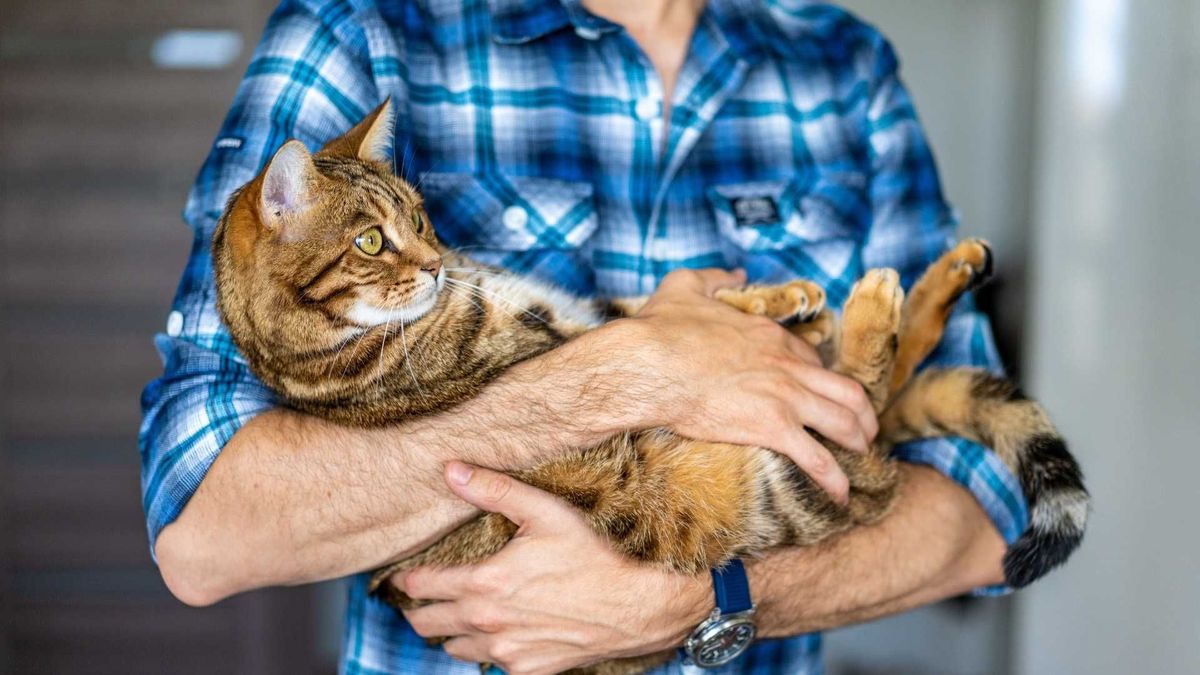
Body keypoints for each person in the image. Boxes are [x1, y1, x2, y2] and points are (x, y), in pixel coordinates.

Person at [140, 1, 1028, 673]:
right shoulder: (362, 28)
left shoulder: (843, 65)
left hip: (717, 522)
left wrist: (703, 598)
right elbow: (202, 529)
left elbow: (991, 508)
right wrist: (630, 371)